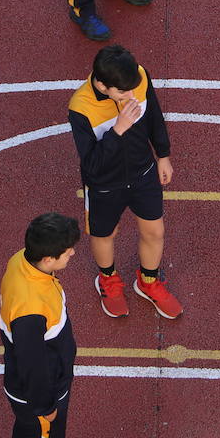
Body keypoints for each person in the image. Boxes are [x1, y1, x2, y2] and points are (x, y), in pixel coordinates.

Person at [67, 45, 181, 320]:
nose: (131, 96)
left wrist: (163, 155)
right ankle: (107, 280)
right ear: (102, 85)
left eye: (133, 88)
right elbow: (92, 163)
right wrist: (118, 129)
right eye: (122, 92)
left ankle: (148, 282)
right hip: (105, 185)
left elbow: (153, 116)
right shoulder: (80, 107)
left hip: (143, 173)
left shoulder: (137, 77)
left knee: (154, 231)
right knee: (104, 235)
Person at [1, 212, 81, 438]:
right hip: (39, 395)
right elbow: (33, 363)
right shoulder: (31, 309)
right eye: (67, 251)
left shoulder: (22, 261)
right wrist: (46, 406)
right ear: (48, 258)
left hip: (27, 392)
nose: (73, 254)